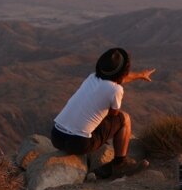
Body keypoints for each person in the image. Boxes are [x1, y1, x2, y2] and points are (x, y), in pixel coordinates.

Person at [51, 48, 155, 179]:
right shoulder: (116, 89)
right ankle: (120, 163)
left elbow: (118, 79)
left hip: (56, 136)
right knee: (124, 118)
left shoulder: (91, 77)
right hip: (78, 143)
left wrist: (140, 75)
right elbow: (113, 114)